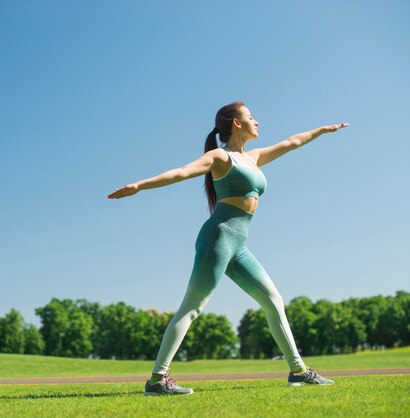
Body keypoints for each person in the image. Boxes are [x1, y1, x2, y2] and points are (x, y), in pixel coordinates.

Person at [108, 101, 348, 395]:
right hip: (218, 238)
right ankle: (157, 379)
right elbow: (182, 172)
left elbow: (291, 142)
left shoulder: (254, 157)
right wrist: (139, 186)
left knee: (274, 301)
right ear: (236, 123)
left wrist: (322, 130)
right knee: (192, 308)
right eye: (251, 117)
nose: (257, 121)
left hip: (239, 244)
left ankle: (298, 371)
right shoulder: (220, 157)